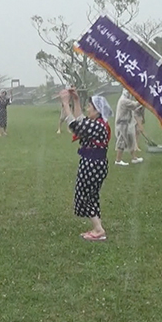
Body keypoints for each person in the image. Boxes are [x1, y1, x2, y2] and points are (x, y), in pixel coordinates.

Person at [60, 88, 113, 241]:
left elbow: (75, 126)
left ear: (97, 110)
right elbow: (81, 120)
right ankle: (97, 227)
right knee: (91, 195)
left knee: (85, 196)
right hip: (95, 164)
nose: (88, 108)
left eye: (90, 106)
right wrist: (76, 100)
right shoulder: (98, 123)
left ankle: (98, 229)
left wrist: (65, 104)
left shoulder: (97, 126)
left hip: (92, 165)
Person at [114, 89, 143, 166]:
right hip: (122, 123)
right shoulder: (124, 101)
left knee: (131, 140)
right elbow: (135, 105)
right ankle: (118, 160)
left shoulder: (125, 100)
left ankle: (134, 158)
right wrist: (142, 100)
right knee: (121, 141)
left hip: (127, 122)